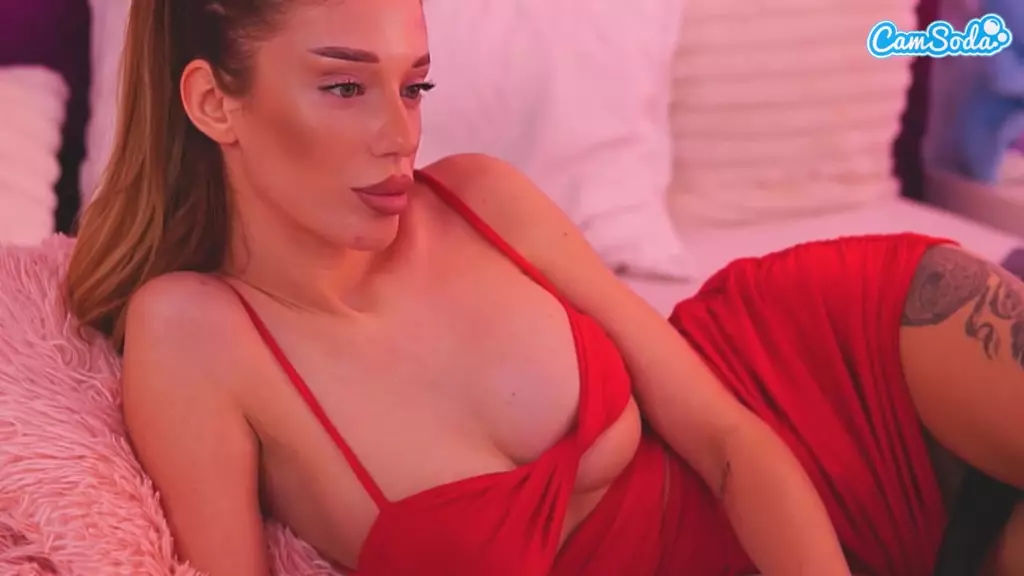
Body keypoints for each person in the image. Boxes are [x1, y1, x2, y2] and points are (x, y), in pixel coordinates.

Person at [63, 0, 1024, 574]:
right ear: (212, 102)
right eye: (345, 87)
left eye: (414, 85)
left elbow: (730, 444)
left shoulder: (480, 199)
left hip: (829, 373)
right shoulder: (193, 333)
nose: (400, 136)